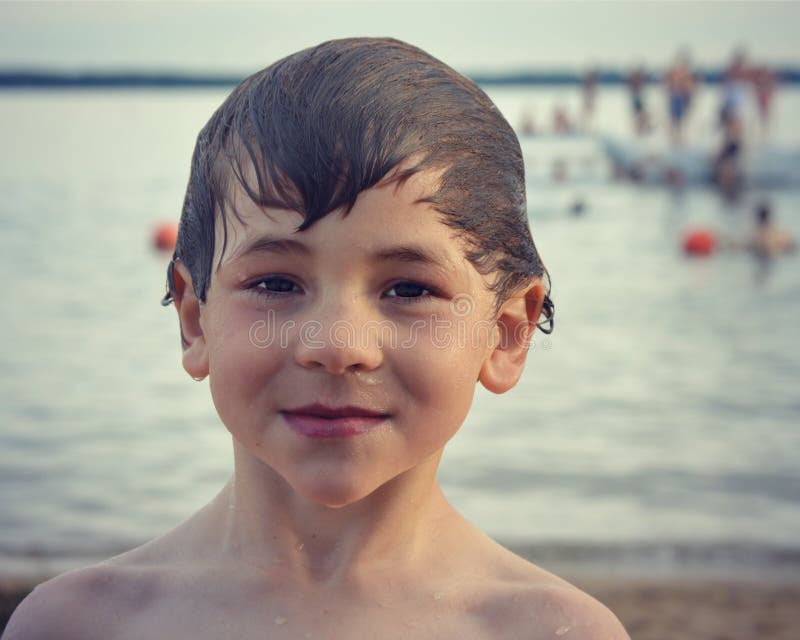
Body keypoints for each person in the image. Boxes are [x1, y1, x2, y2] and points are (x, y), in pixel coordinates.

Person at [3, 38, 628, 640]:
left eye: (408, 290)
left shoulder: (552, 631)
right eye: (276, 282)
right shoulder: (78, 625)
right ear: (195, 319)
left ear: (506, 332)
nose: (336, 345)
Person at [664, 51, 696, 145]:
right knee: (675, 122)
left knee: (680, 123)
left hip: (682, 100)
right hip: (675, 100)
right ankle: (675, 141)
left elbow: (690, 89)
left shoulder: (686, 74)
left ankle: (678, 141)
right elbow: (669, 86)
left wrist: (688, 99)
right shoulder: (675, 72)